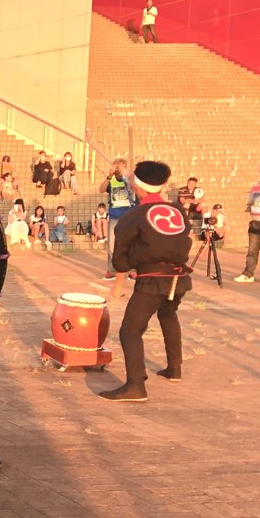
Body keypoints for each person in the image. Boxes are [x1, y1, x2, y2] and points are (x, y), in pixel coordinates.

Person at [101, 161, 191, 401]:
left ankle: (135, 385)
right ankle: (175, 369)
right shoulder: (178, 211)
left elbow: (120, 262)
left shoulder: (134, 216)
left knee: (130, 330)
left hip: (152, 280)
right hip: (179, 279)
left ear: (137, 186)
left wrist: (132, 262)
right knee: (168, 315)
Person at [234, 162, 260, 283]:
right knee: (252, 250)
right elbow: (251, 202)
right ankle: (248, 274)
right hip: (255, 223)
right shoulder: (255, 187)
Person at [102, 159, 134, 278]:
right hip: (115, 215)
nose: (117, 170)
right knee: (111, 244)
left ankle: (133, 270)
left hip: (129, 215)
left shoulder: (130, 179)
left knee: (131, 244)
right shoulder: (111, 180)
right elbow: (101, 189)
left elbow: (133, 188)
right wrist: (109, 176)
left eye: (119, 168)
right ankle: (112, 270)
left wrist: (124, 175)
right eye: (115, 167)